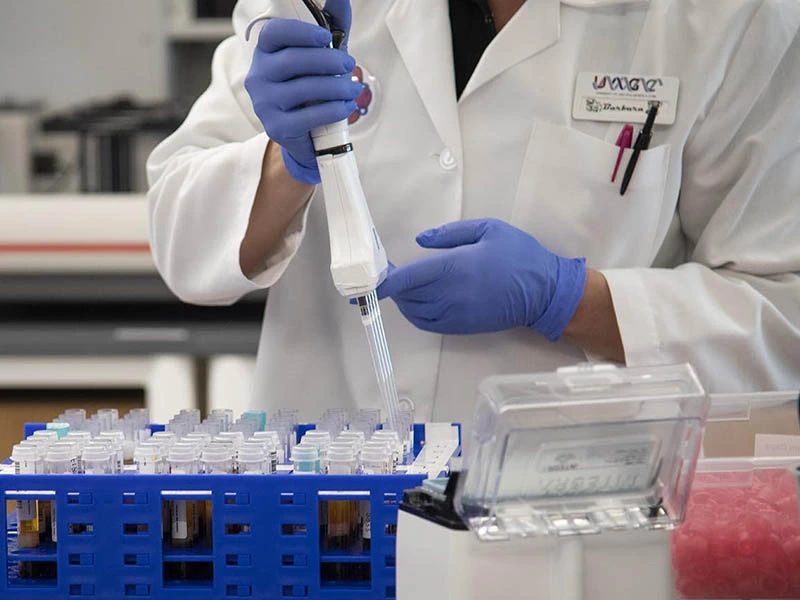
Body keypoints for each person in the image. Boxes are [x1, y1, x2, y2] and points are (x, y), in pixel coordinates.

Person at [148, 0, 800, 426]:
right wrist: (283, 162)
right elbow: (180, 242)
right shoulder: (314, 5)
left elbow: (781, 317)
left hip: (570, 536)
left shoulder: (729, 17)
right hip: (334, 519)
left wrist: (571, 300)